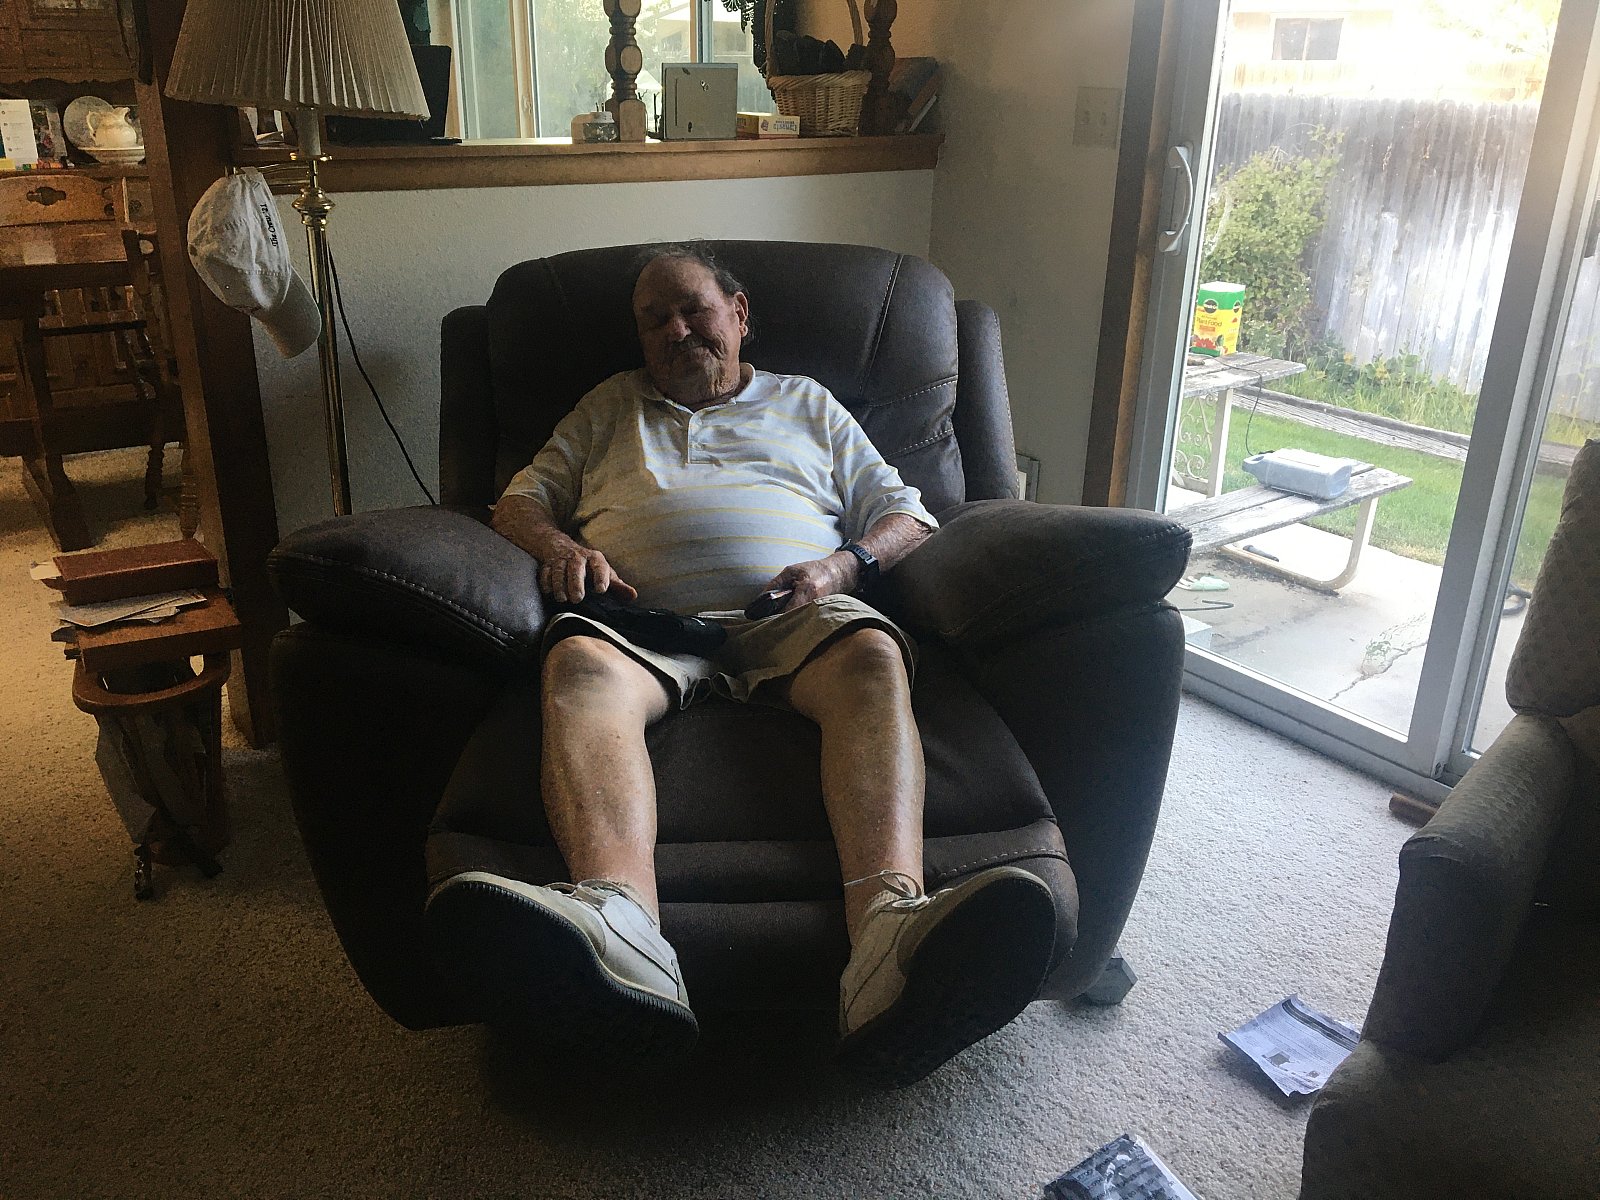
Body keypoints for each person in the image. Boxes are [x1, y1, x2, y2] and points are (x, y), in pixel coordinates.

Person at [424, 243, 1057, 1085]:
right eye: (654, 320)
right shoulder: (608, 405)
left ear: (739, 313)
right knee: (575, 661)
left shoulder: (808, 402)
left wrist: (840, 569)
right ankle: (623, 933)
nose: (675, 330)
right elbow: (518, 503)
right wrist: (561, 549)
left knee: (873, 653)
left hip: (792, 617)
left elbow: (907, 513)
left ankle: (887, 938)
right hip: (645, 624)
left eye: (693, 309)